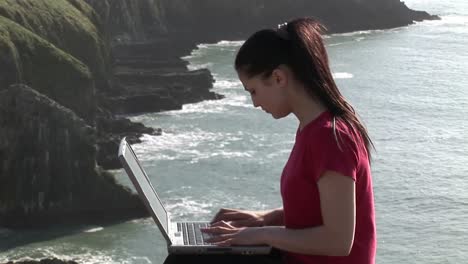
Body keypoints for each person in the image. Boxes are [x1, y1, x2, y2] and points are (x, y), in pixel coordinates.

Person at [199, 17, 377, 264]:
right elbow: (317, 211)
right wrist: (265, 218)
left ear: (279, 78)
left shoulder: (330, 136)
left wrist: (257, 235)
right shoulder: (313, 129)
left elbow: (338, 240)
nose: (255, 102)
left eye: (253, 90)